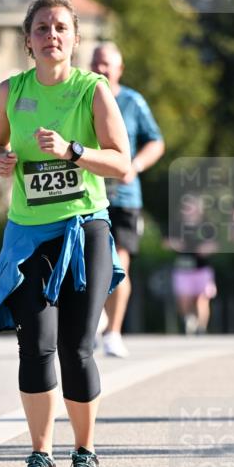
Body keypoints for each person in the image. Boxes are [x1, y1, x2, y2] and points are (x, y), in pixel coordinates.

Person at [0, 0, 131, 467]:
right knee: (35, 347)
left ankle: (85, 453)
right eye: (42, 28)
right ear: (28, 40)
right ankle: (40, 455)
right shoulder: (10, 91)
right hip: (28, 234)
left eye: (61, 28)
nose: (51, 35)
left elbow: (121, 162)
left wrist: (74, 151)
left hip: (84, 228)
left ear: (74, 39)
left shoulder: (93, 91)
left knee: (77, 347)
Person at [90, 42, 164, 357]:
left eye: (107, 64)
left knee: (119, 263)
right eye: (96, 63)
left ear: (119, 69)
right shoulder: (80, 95)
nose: (101, 69)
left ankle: (113, 332)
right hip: (88, 193)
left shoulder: (133, 102)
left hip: (124, 195)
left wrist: (136, 165)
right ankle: (94, 316)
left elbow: (156, 142)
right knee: (89, 263)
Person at [169, 193, 218, 335]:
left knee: (202, 299)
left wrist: (207, 249)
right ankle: (189, 319)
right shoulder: (177, 225)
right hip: (183, 268)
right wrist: (175, 244)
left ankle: (201, 328)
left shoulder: (207, 226)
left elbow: (216, 245)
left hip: (202, 268)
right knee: (183, 299)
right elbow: (166, 241)